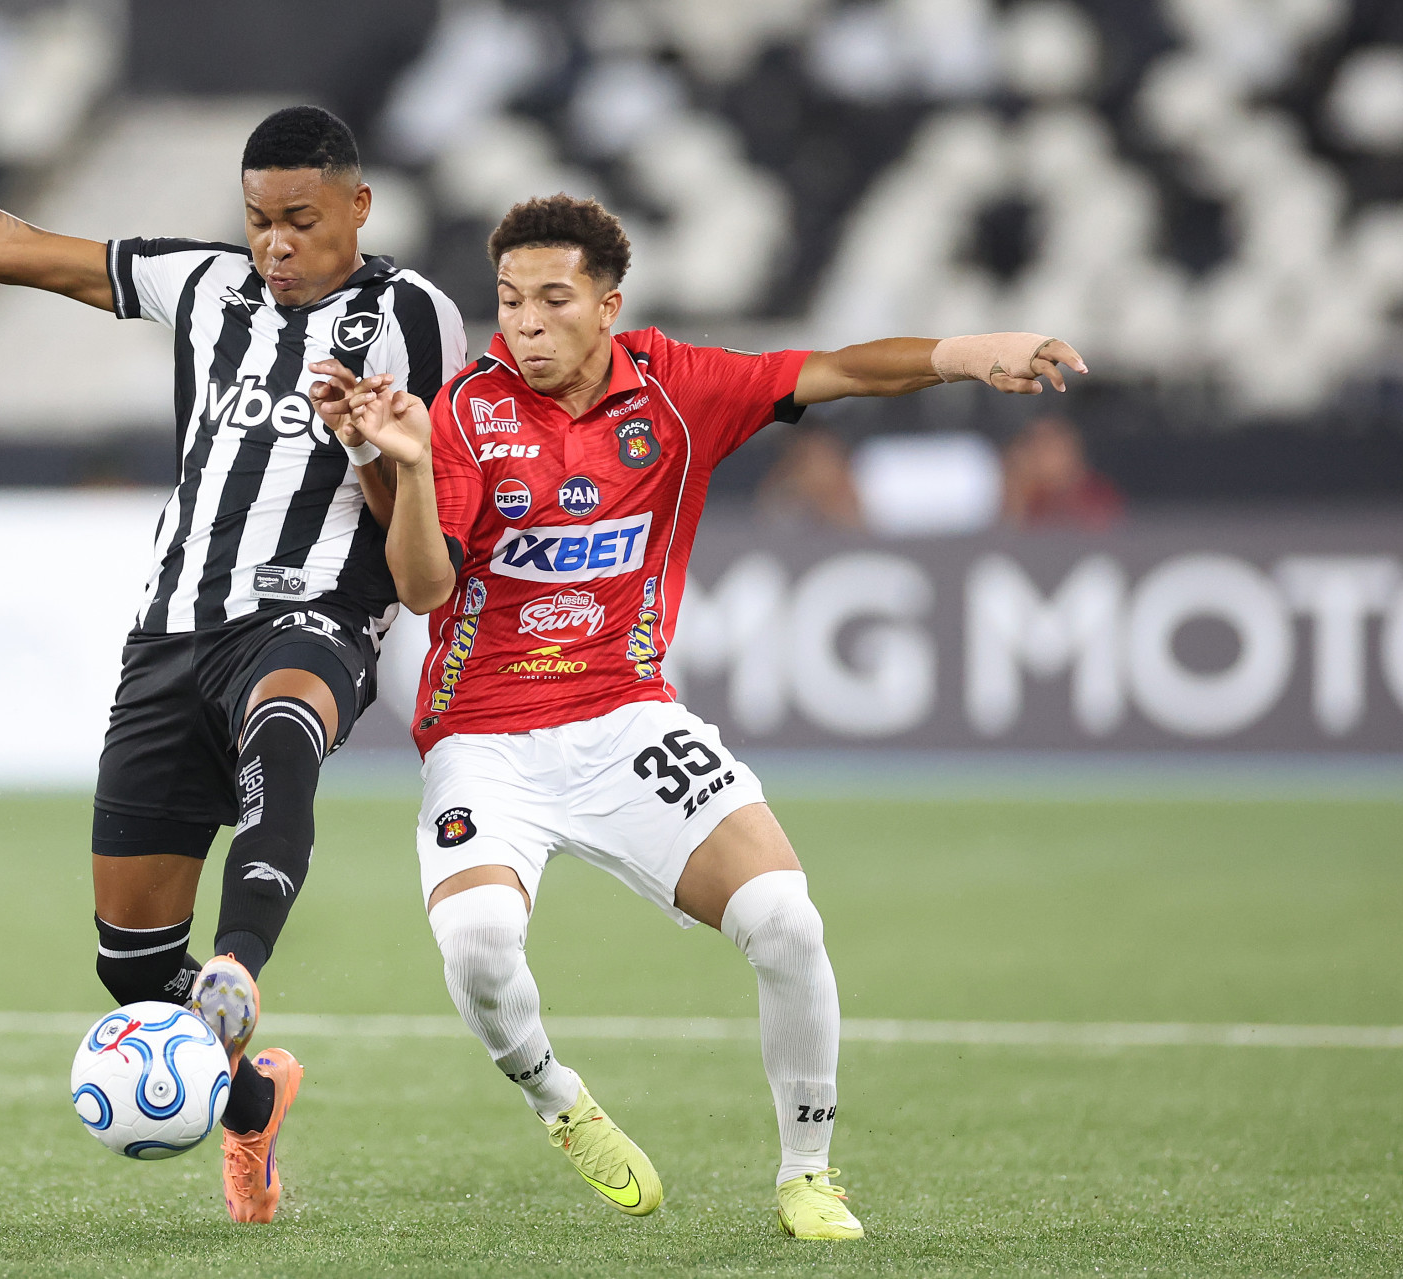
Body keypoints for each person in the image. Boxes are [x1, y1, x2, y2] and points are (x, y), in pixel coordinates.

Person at [0, 47, 467, 1222]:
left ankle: (238, 964)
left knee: (285, 723)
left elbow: (417, 520)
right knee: (130, 967)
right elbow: (8, 245)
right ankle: (249, 1100)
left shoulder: (411, 321)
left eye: (298, 220)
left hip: (311, 612)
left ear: (358, 206)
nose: (274, 245)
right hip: (170, 635)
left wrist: (370, 450)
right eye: (257, 222)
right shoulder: (205, 286)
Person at [329, 195, 1082, 1241]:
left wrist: (971, 351)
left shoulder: (678, 387)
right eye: (509, 302)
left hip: (626, 716)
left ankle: (809, 1173)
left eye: (554, 300)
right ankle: (559, 1100)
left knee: (785, 917)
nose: (527, 325)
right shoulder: (463, 410)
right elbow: (420, 588)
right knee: (480, 943)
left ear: (608, 303)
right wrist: (406, 463)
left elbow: (843, 370)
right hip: (485, 738)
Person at [1001, 413, 1124, 528]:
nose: (1038, 454)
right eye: (1032, 444)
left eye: (1048, 445)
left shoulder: (1096, 497)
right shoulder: (1017, 490)